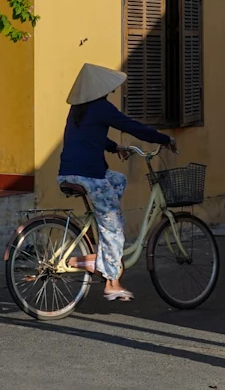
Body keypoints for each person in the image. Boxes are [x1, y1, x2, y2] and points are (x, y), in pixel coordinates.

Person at [58, 63, 176, 302]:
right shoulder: (100, 107)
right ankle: (113, 282)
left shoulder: (78, 111)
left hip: (69, 172)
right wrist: (164, 139)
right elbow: (131, 125)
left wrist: (115, 147)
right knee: (114, 227)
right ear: (100, 90)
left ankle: (98, 254)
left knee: (118, 179)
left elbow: (91, 137)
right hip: (89, 175)